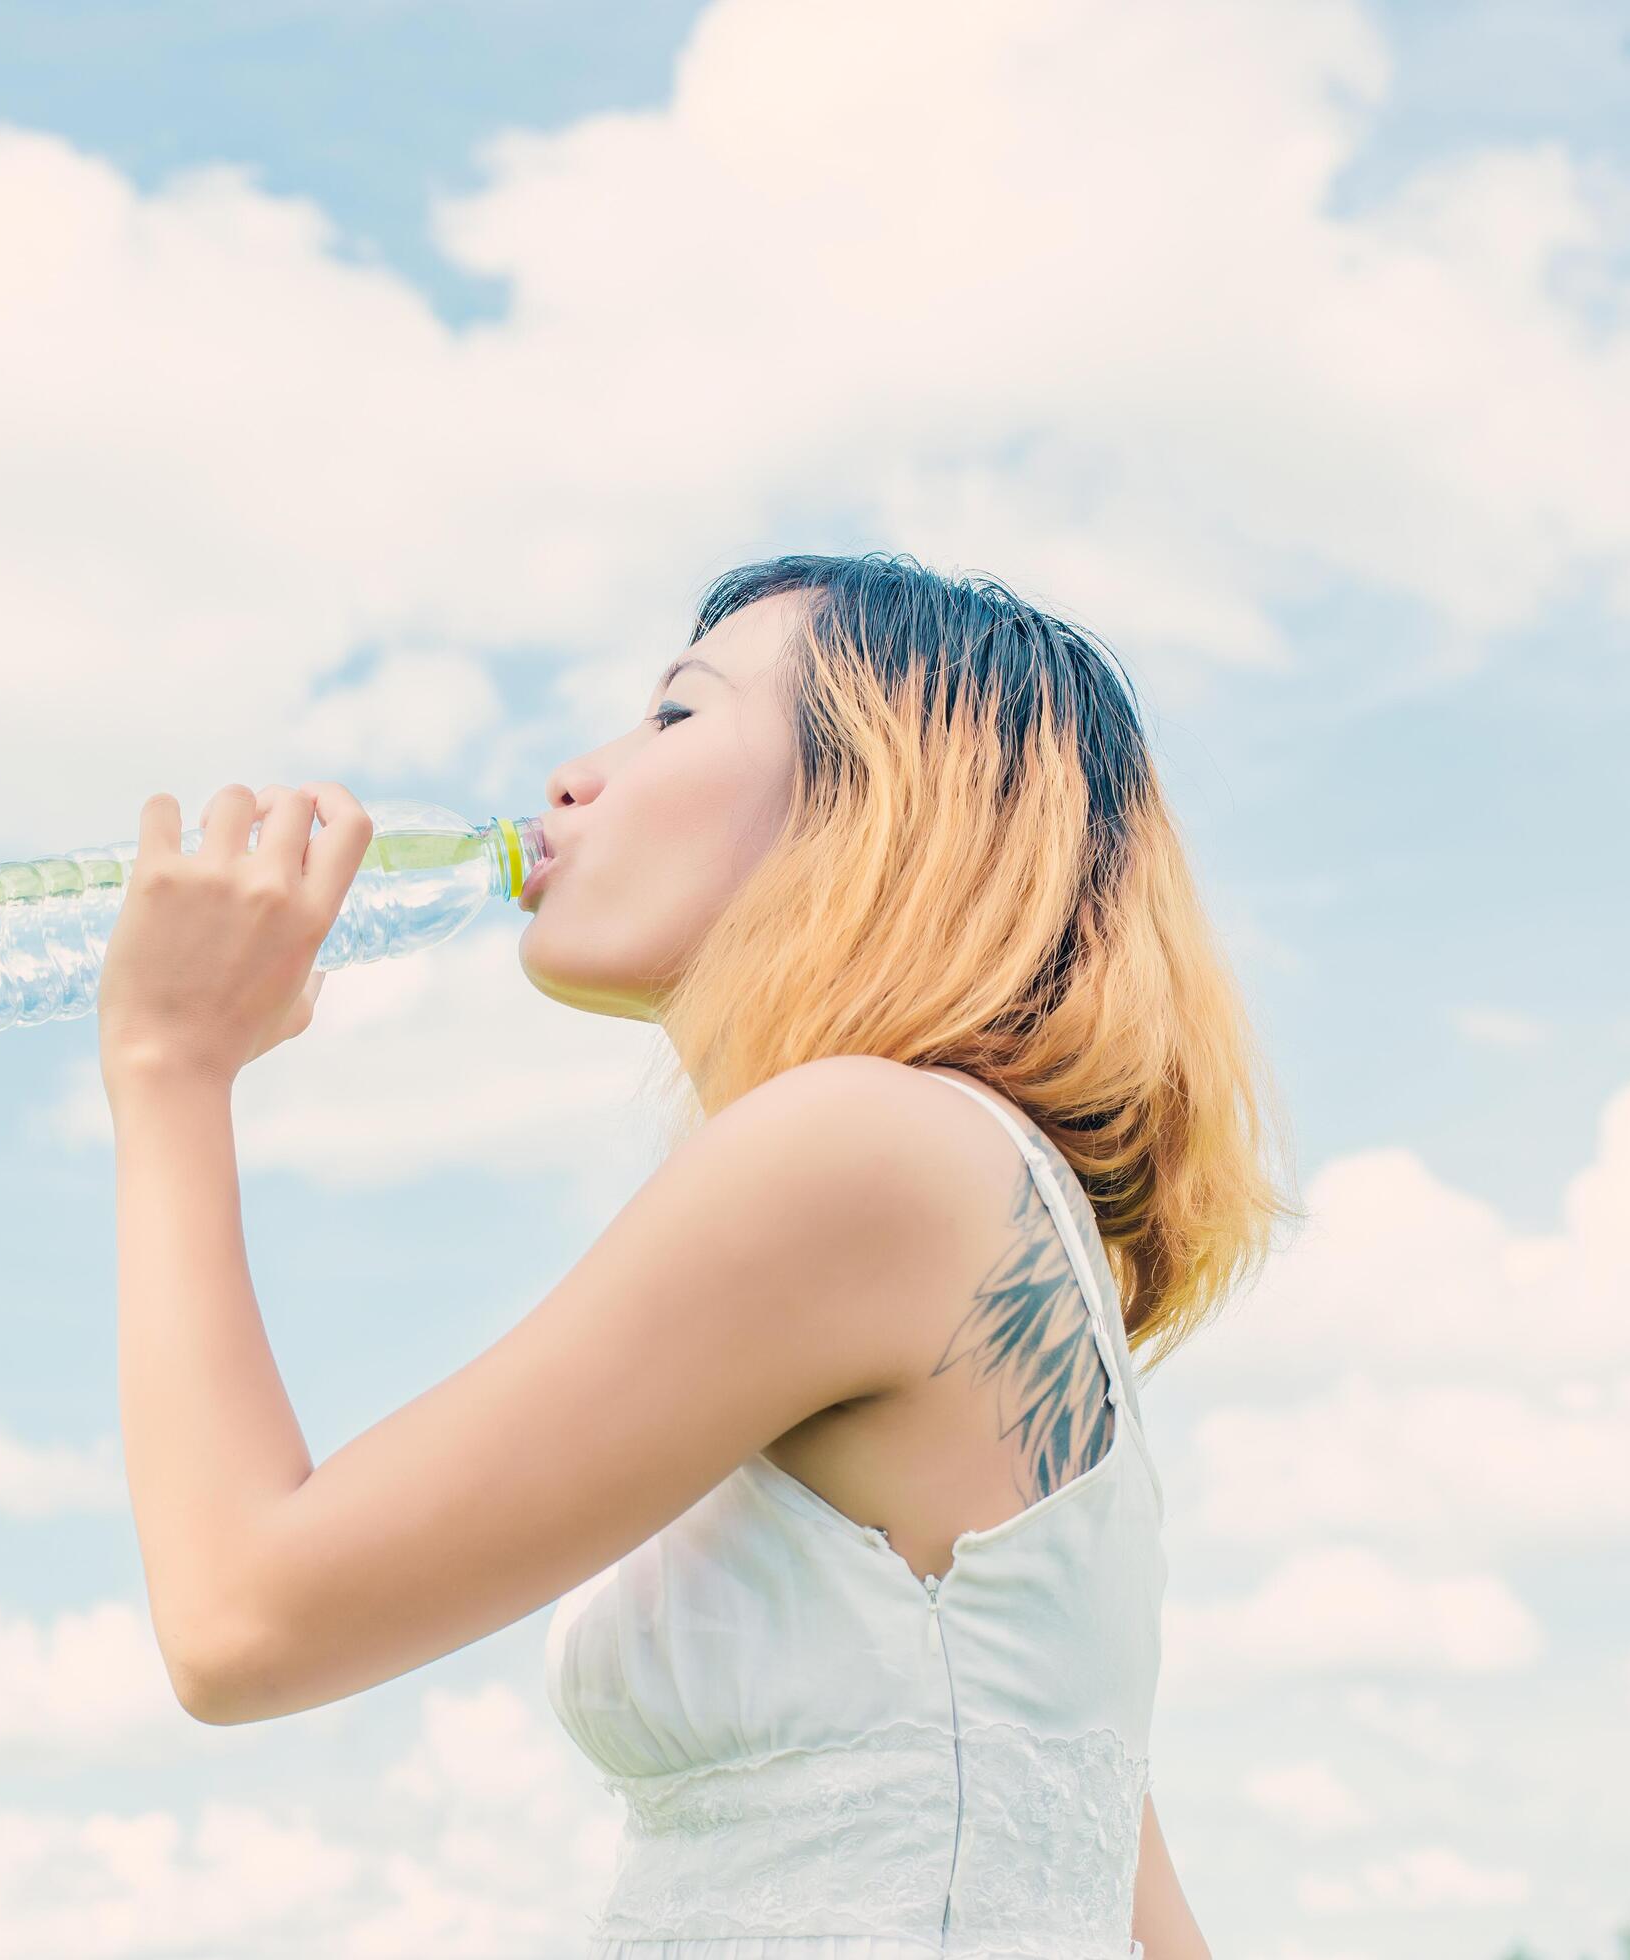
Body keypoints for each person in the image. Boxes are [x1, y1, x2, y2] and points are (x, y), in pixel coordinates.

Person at [95, 551, 1295, 1959]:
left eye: (673, 716)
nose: (570, 778)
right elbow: (1107, 1861)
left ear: (879, 800)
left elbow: (240, 1620)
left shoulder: (863, 1151)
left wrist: (170, 1067)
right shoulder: (975, 1202)